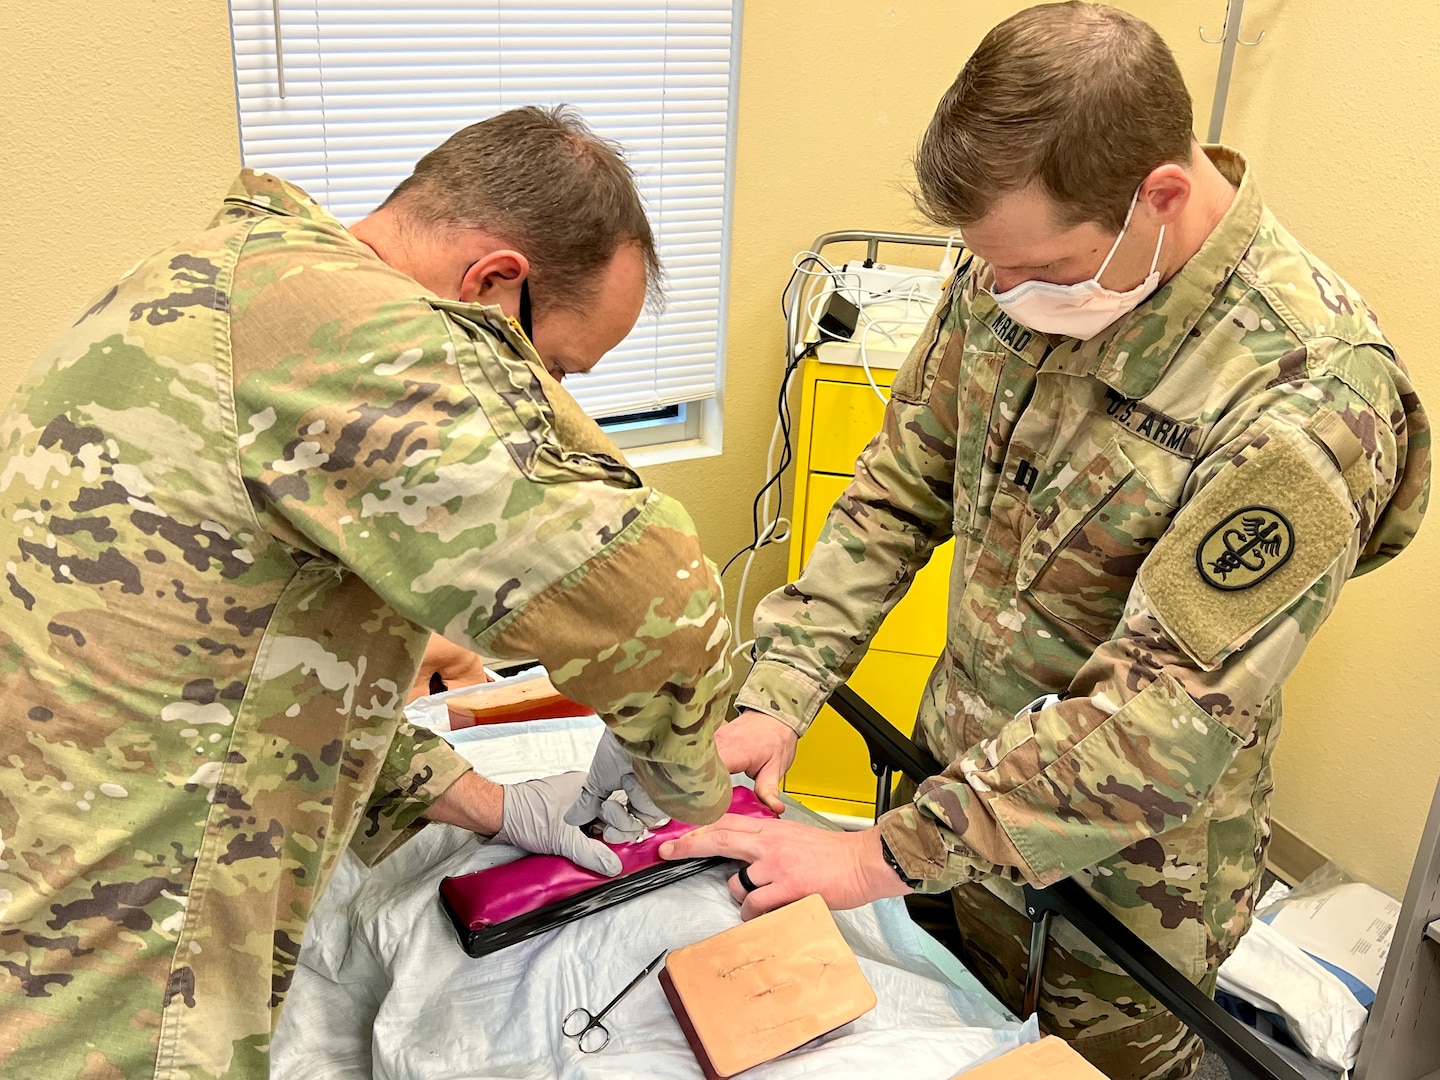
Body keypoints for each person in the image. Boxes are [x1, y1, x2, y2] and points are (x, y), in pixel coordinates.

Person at [663, 5, 1429, 1079]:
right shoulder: (1024, 270)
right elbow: (897, 491)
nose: (1008, 297)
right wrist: (779, 690)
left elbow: (1158, 725)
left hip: (1126, 887)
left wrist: (876, 856)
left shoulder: (1307, 398)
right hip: (946, 791)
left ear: (1159, 195)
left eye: (1037, 268)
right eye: (992, 269)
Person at [0, 106, 734, 1078]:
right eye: (553, 370)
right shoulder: (345, 329)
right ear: (494, 283)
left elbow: (241, 659)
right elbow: (656, 602)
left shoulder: (203, 283)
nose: (556, 399)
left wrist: (482, 800)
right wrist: (682, 788)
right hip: (120, 967)